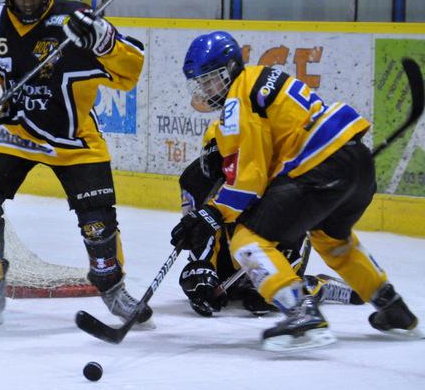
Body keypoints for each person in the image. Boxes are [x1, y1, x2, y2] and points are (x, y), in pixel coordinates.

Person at [170, 31, 420, 350]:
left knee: (248, 241)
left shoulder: (238, 99)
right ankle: (392, 307)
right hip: (355, 162)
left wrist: (212, 213)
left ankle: (302, 314)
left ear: (230, 68)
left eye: (211, 79)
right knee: (333, 242)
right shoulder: (262, 78)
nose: (205, 89)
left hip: (321, 168)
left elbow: (250, 180)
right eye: (201, 82)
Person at [0, 0, 149, 328]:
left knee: (98, 223)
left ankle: (113, 289)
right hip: (16, 132)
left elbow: (131, 70)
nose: (27, 1)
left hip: (74, 140)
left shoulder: (78, 24)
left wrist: (104, 40)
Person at [177, 130, 361, 317]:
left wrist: (275, 269)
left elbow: (293, 228)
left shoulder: (269, 174)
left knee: (271, 296)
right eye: (214, 159)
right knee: (202, 284)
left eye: (226, 159)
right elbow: (202, 232)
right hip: (230, 248)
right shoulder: (193, 180)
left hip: (273, 244)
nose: (221, 168)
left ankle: (318, 286)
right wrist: (202, 267)